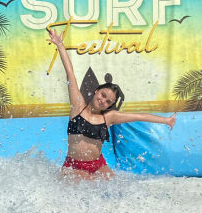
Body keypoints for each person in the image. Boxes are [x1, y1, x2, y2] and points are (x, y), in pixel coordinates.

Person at [47, 27, 176, 180]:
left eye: (108, 101)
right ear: (96, 91)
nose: (103, 101)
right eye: (103, 95)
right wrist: (60, 45)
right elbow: (70, 74)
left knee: (118, 190)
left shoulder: (109, 117)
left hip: (98, 165)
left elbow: (140, 116)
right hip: (75, 166)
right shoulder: (78, 106)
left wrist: (166, 120)